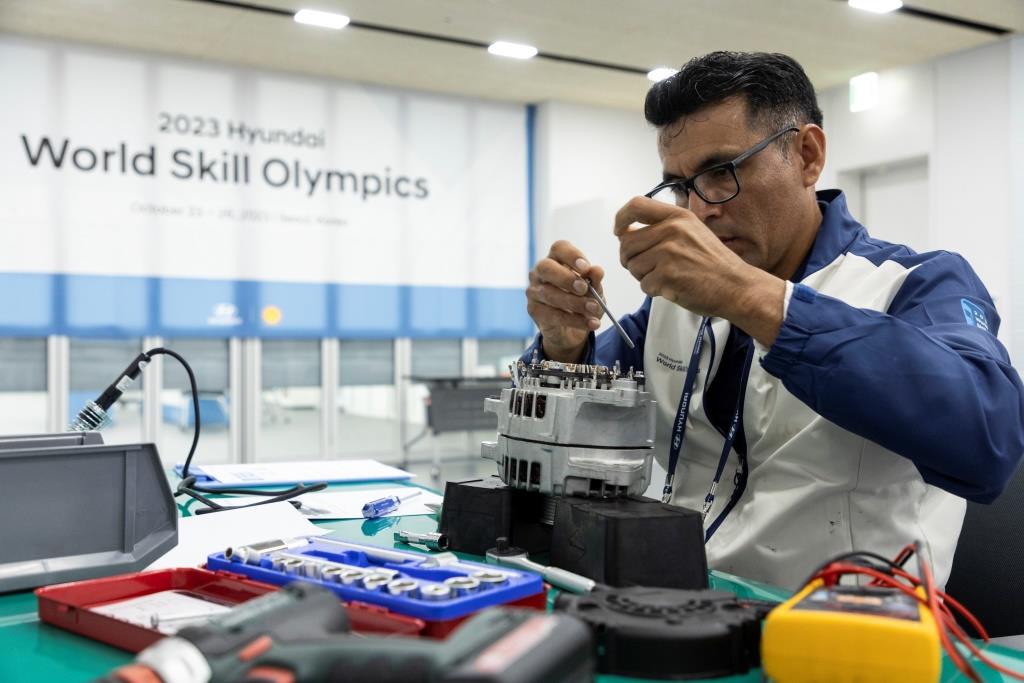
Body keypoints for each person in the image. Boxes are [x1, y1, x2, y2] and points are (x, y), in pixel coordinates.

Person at [523, 51, 1024, 589]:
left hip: (846, 637)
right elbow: (581, 433)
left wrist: (749, 296)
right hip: (677, 608)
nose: (700, 210)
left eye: (722, 173)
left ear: (807, 156)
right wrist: (565, 346)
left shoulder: (914, 283)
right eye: (680, 185)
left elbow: (989, 438)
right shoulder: (672, 304)